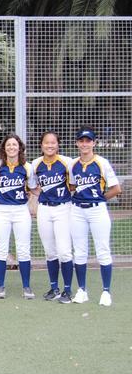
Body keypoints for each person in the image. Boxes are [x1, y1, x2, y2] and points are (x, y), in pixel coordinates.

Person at [68, 127, 122, 306]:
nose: (85, 144)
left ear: (94, 143)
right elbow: (73, 187)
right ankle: (82, 290)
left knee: (103, 250)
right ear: (77, 143)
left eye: (88, 140)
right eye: (81, 141)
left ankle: (106, 292)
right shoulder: (73, 164)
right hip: (77, 210)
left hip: (97, 210)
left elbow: (116, 188)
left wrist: (100, 199)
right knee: (80, 251)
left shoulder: (102, 162)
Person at [27, 131, 75, 304]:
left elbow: (74, 184)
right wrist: (42, 194)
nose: (50, 145)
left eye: (53, 142)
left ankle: (68, 290)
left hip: (63, 208)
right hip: (44, 210)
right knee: (50, 251)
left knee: (64, 251)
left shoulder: (67, 162)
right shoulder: (36, 163)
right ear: (41, 145)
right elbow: (32, 186)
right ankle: (54, 287)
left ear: (58, 144)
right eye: (46, 143)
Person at [0, 134, 34, 300]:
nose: (11, 148)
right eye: (8, 145)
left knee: (23, 250)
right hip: (1, 211)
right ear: (4, 148)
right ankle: (0, 286)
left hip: (21, 211)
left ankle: (27, 287)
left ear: (19, 147)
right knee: (1, 249)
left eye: (14, 145)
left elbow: (32, 188)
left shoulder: (27, 167)